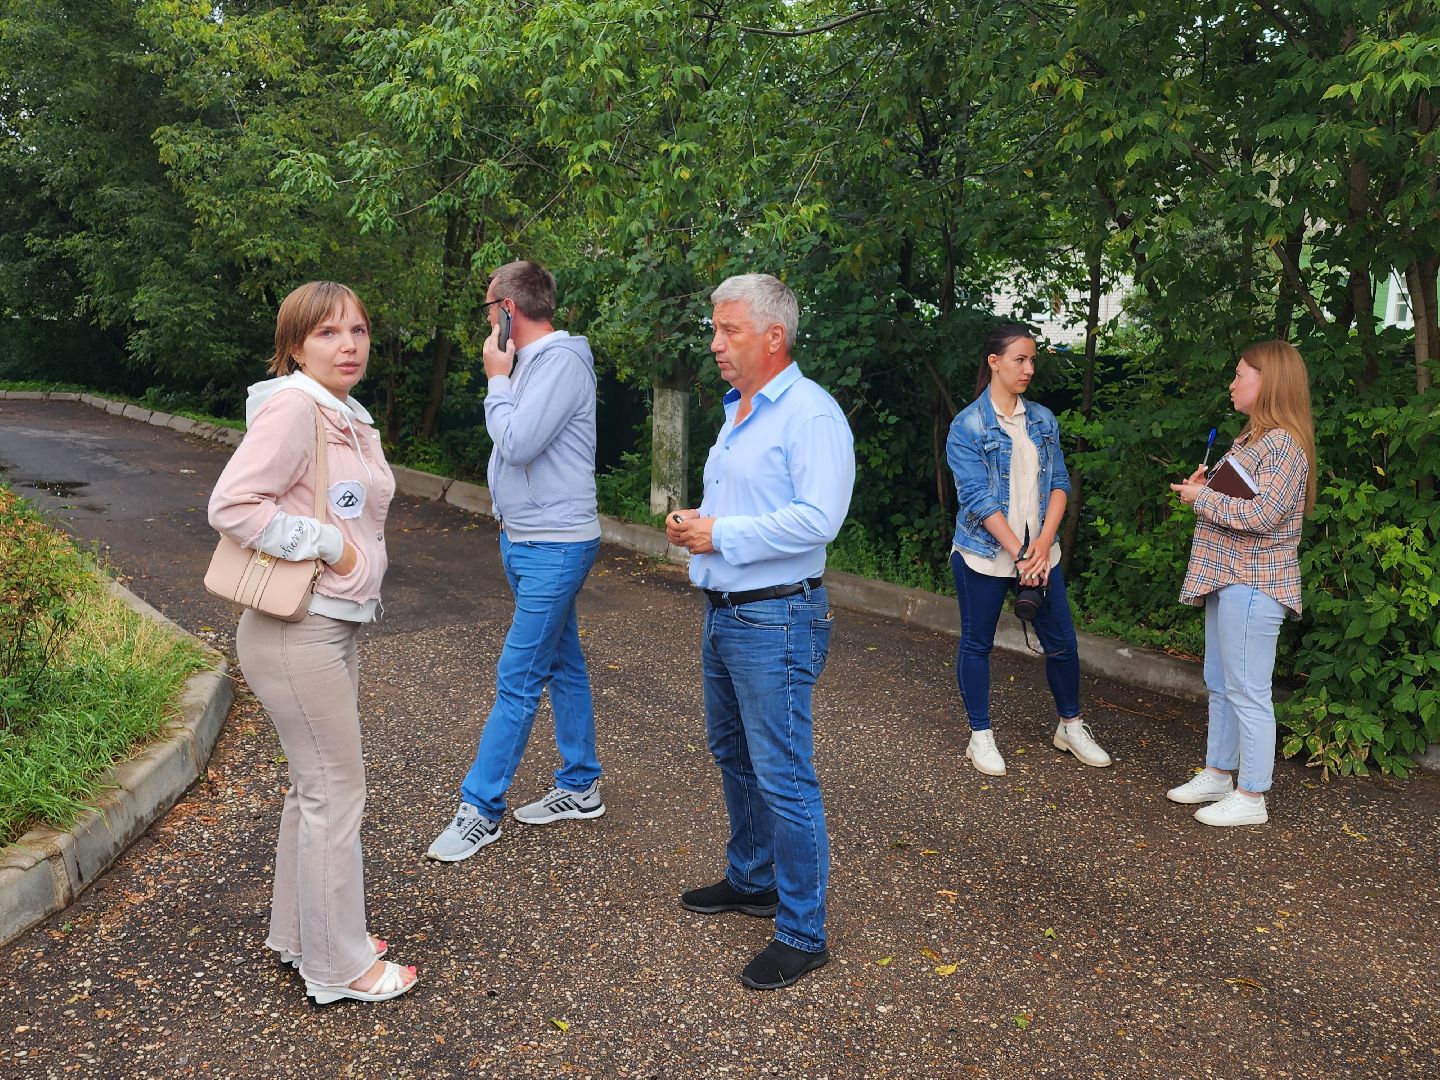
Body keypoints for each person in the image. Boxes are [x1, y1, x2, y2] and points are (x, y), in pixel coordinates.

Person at [208, 281, 416, 1004]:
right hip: (300, 630)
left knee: (314, 790)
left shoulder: (343, 415)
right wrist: (332, 545)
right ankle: (341, 967)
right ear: (295, 345)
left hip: (326, 626)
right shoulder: (298, 408)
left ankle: (306, 936)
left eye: (358, 330)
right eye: (329, 333)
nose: (350, 344)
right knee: (336, 792)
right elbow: (232, 504)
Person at [667, 273, 855, 990]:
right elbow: (744, 507)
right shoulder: (741, 408)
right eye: (715, 329)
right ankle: (752, 880)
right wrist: (697, 525)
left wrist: (721, 532)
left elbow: (817, 520)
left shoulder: (810, 415)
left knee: (784, 775)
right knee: (734, 753)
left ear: (773, 337)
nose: (715, 343)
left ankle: (803, 933)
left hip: (777, 617)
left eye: (728, 331)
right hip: (729, 612)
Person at [427, 260, 605, 863]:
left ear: (506, 310)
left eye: (488, 309)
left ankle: (480, 808)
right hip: (526, 538)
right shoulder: (533, 364)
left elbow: (518, 442)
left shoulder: (558, 362)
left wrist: (495, 378)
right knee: (562, 663)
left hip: (556, 544)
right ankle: (581, 785)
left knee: (519, 676)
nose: (486, 322)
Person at [945, 324, 1112, 777]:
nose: (1029, 368)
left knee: (1062, 645)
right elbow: (977, 501)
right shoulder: (967, 426)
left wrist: (1042, 545)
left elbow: (1059, 483)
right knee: (977, 644)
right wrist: (1021, 553)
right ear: (993, 362)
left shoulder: (1042, 420)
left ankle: (1070, 727)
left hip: (1039, 553)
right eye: (1020, 359)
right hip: (984, 554)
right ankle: (980, 737)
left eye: (1033, 359)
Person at [1166, 341, 1315, 827]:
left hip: (1255, 584)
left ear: (1267, 382)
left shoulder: (1285, 446)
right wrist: (1206, 488)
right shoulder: (1253, 439)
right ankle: (1217, 773)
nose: (1231, 384)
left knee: (1248, 691)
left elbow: (1261, 515)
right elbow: (1239, 502)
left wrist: (1200, 500)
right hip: (1228, 579)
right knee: (1221, 685)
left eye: (1240, 375)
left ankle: (1252, 796)